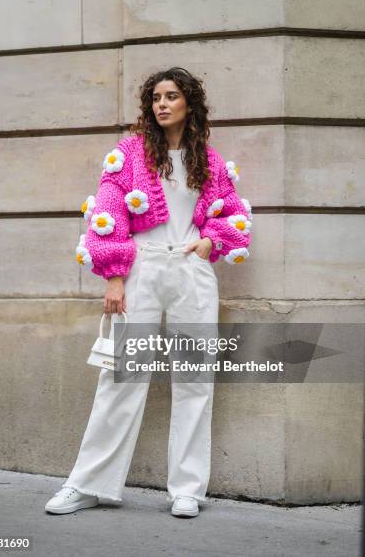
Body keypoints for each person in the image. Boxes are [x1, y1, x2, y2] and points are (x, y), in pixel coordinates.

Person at [45, 66, 253, 518]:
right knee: (122, 374)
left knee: (195, 377)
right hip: (140, 267)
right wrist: (114, 277)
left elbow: (232, 216)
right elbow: (108, 212)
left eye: (172, 96)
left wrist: (210, 241)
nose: (162, 103)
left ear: (189, 104)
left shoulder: (210, 161)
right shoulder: (130, 155)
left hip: (192, 268)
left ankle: (187, 489)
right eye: (156, 96)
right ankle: (88, 483)